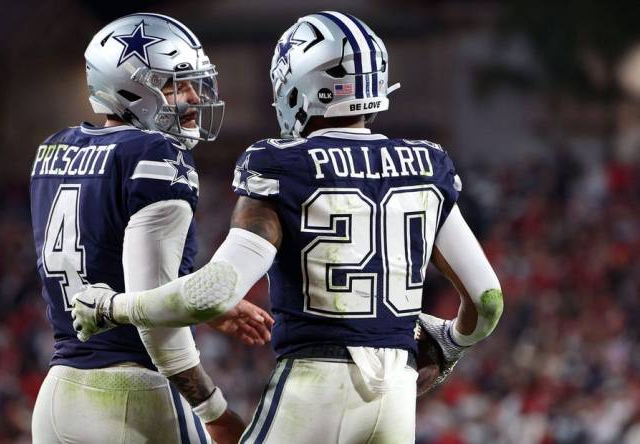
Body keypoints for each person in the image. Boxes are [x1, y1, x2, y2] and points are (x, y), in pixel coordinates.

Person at [72, 11, 504, 443]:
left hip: (315, 389)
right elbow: (487, 300)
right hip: (395, 397)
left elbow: (217, 289)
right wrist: (450, 343)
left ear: (303, 87)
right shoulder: (426, 164)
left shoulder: (280, 164)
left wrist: (114, 308)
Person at [29, 13, 272, 444]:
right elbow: (153, 326)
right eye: (175, 85)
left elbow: (114, 264)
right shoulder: (156, 154)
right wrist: (214, 411)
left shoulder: (55, 149)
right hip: (132, 397)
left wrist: (197, 305)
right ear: (130, 88)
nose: (194, 98)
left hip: (58, 396)